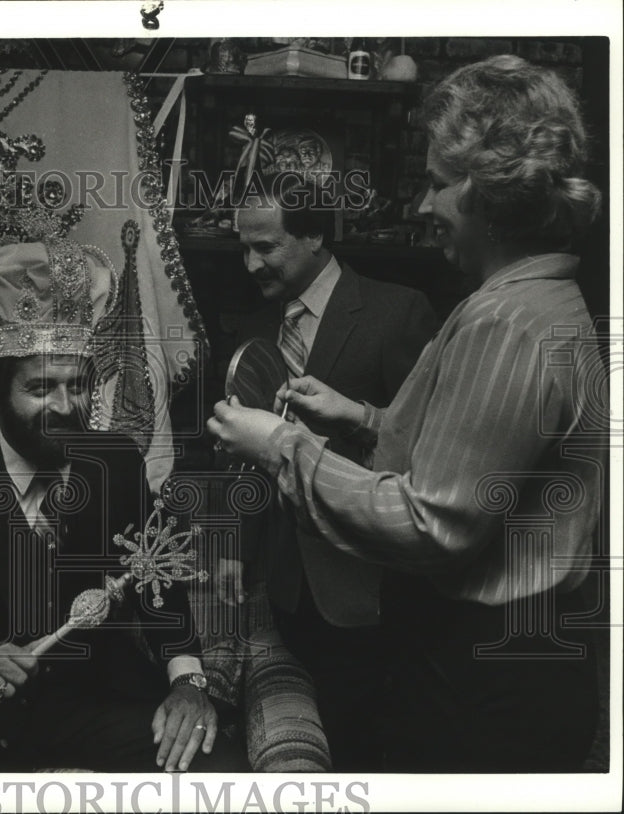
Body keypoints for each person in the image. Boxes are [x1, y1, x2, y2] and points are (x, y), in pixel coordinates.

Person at [208, 55, 604, 772]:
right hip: (502, 655)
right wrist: (361, 416)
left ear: (494, 192)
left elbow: (433, 523)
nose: (422, 207)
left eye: (437, 184)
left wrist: (280, 446)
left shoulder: (505, 321)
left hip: (491, 669)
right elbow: (470, 448)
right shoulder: (535, 303)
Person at [0, 236, 248, 773]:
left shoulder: (116, 465)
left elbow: (156, 585)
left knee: (219, 771)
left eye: (79, 386)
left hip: (88, 707)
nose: (67, 407)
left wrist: (187, 680)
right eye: (41, 389)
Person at [216, 175, 438, 769]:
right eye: (243, 247)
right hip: (289, 583)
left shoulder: (397, 312)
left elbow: (428, 446)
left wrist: (357, 421)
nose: (250, 263)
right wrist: (236, 548)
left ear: (314, 234)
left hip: (372, 582)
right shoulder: (255, 330)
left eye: (265, 246)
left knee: (371, 743)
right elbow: (246, 457)